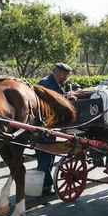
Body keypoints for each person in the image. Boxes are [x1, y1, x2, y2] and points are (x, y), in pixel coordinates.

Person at [36, 63, 72, 192]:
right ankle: (45, 186)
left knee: (49, 154)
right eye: (66, 75)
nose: (66, 78)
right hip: (44, 124)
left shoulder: (53, 84)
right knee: (45, 154)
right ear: (61, 73)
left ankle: (44, 184)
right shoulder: (47, 84)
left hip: (49, 125)